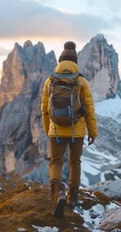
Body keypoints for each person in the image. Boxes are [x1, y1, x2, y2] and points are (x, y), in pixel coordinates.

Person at [41, 41, 98, 217]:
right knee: (75, 162)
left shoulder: (50, 81)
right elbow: (89, 110)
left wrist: (47, 129)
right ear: (75, 61)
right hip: (77, 132)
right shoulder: (81, 81)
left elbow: (44, 109)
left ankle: (57, 193)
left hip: (56, 131)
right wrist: (93, 132)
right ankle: (72, 198)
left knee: (55, 162)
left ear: (60, 61)